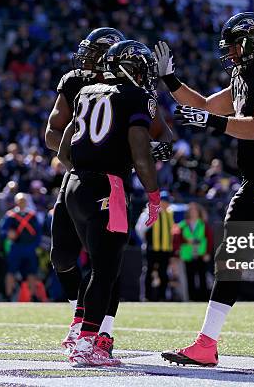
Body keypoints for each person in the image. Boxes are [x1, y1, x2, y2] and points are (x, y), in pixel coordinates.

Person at [158, 12, 254, 367]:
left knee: (230, 252)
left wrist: (212, 123)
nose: (229, 52)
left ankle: (206, 344)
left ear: (253, 41)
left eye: (234, 44)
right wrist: (169, 79)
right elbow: (206, 106)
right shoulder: (245, 72)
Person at [46, 28, 173, 355]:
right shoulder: (135, 96)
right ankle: (88, 342)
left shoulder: (88, 93)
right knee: (105, 269)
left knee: (100, 266)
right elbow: (143, 154)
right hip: (109, 187)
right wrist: (154, 195)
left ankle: (87, 333)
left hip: (76, 182)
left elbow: (63, 151)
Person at [0, 193, 42, 301]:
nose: (22, 202)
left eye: (24, 200)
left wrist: (35, 246)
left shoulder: (32, 215)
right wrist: (8, 234)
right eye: (20, 200)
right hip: (16, 248)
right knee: (11, 272)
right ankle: (8, 296)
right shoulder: (10, 215)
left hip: (29, 248)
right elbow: (2, 231)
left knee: (32, 272)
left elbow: (38, 233)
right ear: (16, 202)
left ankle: (33, 296)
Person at [136, 190, 175, 301]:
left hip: (165, 248)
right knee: (148, 271)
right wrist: (147, 241)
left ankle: (162, 297)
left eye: (167, 202)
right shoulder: (148, 213)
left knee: (164, 273)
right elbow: (140, 229)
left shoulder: (169, 214)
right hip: (151, 248)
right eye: (164, 201)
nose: (166, 204)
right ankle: (146, 296)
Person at [173, 202, 211, 301]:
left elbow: (209, 239)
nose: (193, 213)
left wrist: (207, 253)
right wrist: (178, 252)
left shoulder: (203, 224)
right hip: (188, 255)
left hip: (201, 255)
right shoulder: (182, 225)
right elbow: (177, 240)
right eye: (191, 211)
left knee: (203, 278)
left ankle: (204, 299)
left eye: (195, 210)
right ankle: (192, 299)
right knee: (190, 278)